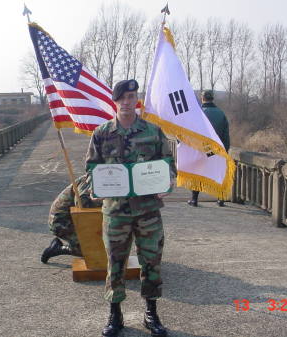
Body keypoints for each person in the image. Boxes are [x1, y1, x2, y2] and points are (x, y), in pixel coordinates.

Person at [86, 79, 176, 337]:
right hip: (115, 212)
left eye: (131, 96)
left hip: (148, 210)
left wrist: (166, 180)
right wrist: (94, 187)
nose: (127, 102)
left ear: (136, 100)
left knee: (152, 261)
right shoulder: (102, 133)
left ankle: (151, 313)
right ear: (114, 101)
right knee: (115, 263)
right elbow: (92, 167)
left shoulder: (152, 131)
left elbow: (167, 162)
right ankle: (115, 315)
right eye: (122, 97)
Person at [41, 174, 102, 263]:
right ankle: (57, 249)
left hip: (76, 219)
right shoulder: (90, 180)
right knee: (92, 249)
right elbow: (82, 204)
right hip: (62, 222)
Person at [188, 89, 230, 207]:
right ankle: (220, 199)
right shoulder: (221, 113)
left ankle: (194, 199)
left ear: (202, 98)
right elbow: (225, 135)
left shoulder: (197, 113)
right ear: (212, 98)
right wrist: (225, 150)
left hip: (201, 149)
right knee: (218, 173)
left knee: (198, 173)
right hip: (217, 149)